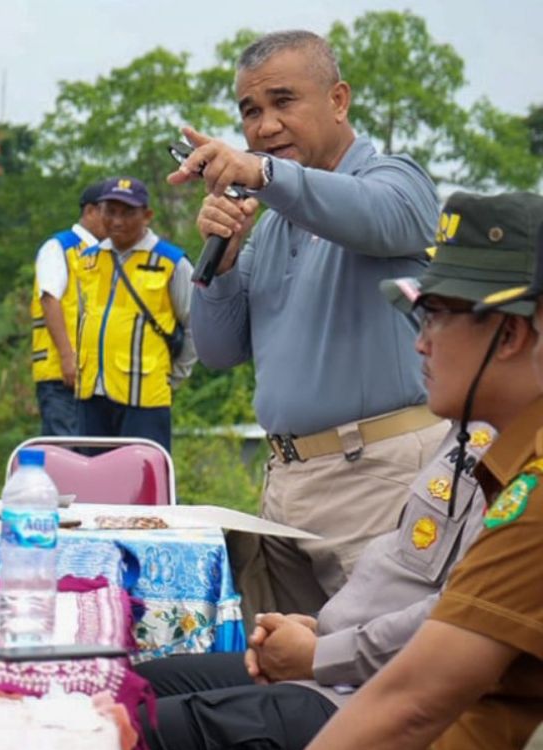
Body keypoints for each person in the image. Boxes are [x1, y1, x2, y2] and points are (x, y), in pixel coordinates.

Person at [133, 191, 543, 750]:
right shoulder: (489, 445)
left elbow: (421, 700)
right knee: (127, 698)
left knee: (132, 739)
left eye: (434, 315)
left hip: (409, 738)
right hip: (390, 719)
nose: (420, 342)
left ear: (508, 333)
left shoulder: (531, 497)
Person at [169, 29, 448, 616]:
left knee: (377, 679)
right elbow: (219, 352)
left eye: (283, 101)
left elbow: (382, 216)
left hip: (380, 478)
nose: (265, 126)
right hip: (288, 484)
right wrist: (223, 258)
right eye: (251, 111)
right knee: (293, 679)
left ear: (339, 101)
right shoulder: (269, 224)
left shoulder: (397, 180)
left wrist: (265, 176)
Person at [74, 177, 196, 453]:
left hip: (145, 396)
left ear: (147, 215)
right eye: (110, 211)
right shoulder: (89, 258)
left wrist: (175, 376)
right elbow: (83, 317)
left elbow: (195, 326)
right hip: (91, 392)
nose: (117, 221)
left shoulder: (170, 261)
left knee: (140, 482)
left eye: (127, 212)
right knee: (92, 482)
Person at [31, 181, 107, 437]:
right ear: (90, 212)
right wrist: (67, 356)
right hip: (62, 374)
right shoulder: (60, 247)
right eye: (109, 211)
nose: (116, 220)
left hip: (97, 378)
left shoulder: (106, 254)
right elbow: (49, 299)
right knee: (64, 450)